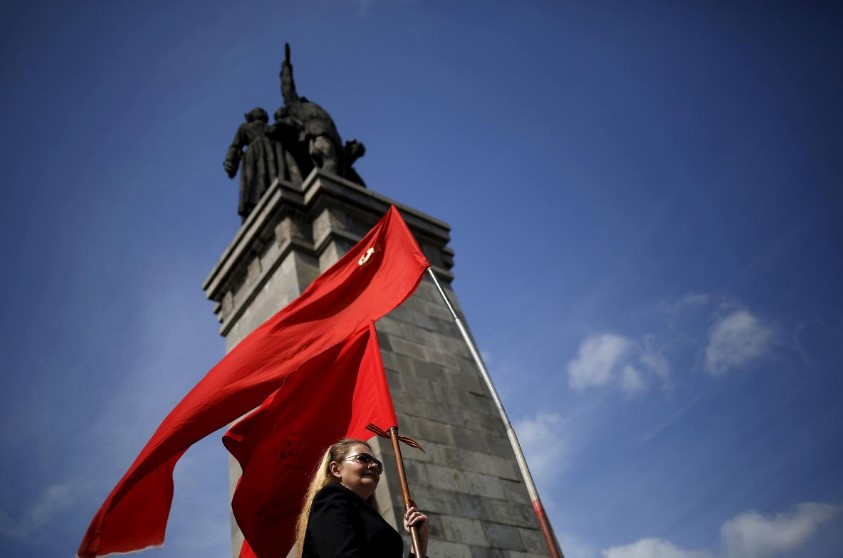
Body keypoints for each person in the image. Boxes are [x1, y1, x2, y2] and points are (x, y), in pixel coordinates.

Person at [294, 439, 429, 558]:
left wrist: (419, 543)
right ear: (336, 469)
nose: (374, 466)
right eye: (363, 458)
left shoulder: (369, 515)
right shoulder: (331, 498)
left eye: (378, 465)